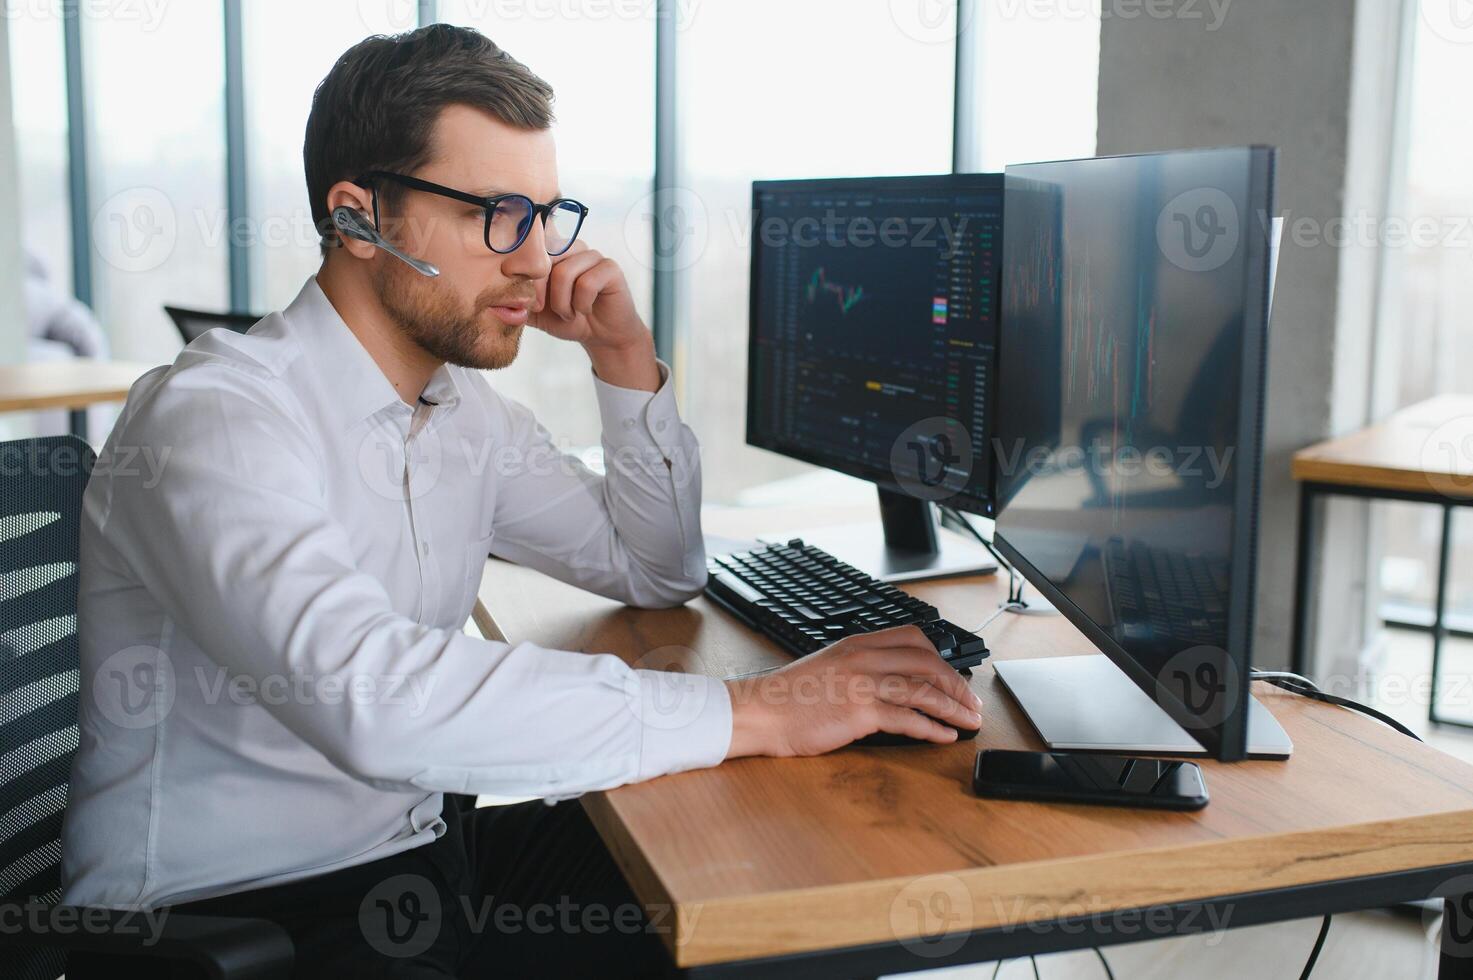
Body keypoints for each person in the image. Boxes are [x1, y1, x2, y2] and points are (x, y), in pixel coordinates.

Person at [60, 24, 982, 977]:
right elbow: (374, 701)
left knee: (775, 882)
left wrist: (622, 361)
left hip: (419, 861)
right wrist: (754, 710)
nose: (538, 260)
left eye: (546, 215)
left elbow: (656, 567)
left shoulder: (462, 413)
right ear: (358, 217)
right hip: (234, 925)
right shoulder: (214, 418)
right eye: (497, 215)